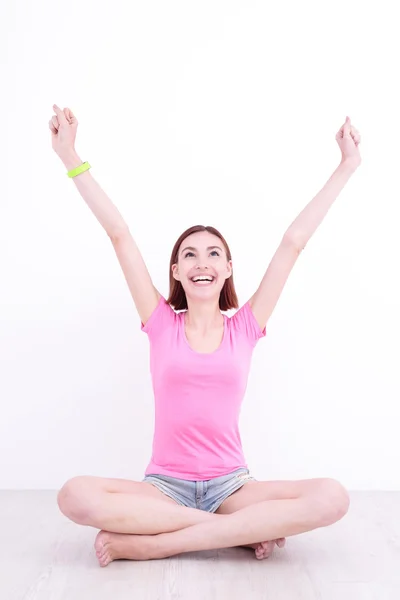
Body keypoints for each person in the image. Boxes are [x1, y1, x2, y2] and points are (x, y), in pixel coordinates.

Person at [50, 104, 361, 567]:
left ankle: (155, 543)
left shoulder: (246, 327)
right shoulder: (160, 322)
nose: (202, 262)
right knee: (73, 495)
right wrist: (70, 157)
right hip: (163, 489)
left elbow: (292, 242)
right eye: (190, 255)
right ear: (176, 271)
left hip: (233, 487)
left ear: (227, 269)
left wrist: (347, 166)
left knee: (333, 497)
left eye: (214, 254)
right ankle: (236, 535)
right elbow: (119, 234)